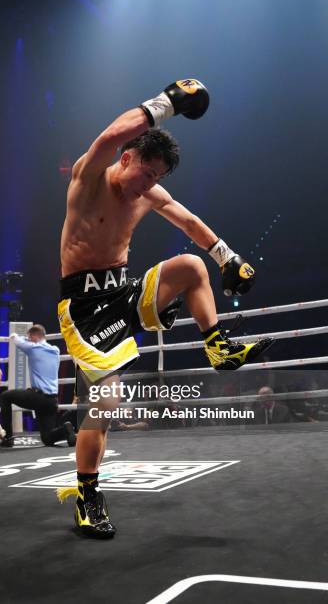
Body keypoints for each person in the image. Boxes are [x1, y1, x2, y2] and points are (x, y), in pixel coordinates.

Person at [56, 78, 274, 538]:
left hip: (124, 291)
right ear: (128, 159)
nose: (148, 186)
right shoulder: (88, 180)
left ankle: (217, 347)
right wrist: (168, 104)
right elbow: (108, 138)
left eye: (157, 180)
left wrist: (228, 259)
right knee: (105, 401)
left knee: (193, 266)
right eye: (145, 174)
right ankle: (87, 496)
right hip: (84, 308)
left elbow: (188, 221)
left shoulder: (148, 193)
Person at [0, 324, 76, 447]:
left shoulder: (33, 348)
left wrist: (15, 335)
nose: (28, 340)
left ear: (34, 336)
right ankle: (65, 429)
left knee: (5, 396)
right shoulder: (55, 350)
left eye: (29, 338)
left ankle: (8, 437)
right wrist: (29, 338)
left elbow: (16, 340)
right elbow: (31, 342)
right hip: (52, 400)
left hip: (38, 397)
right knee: (47, 438)